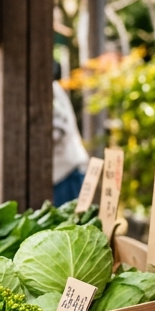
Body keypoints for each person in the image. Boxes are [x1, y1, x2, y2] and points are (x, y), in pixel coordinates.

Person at [51, 62, 90, 205]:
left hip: (66, 172)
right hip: (63, 171)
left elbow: (58, 131)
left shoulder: (49, 90)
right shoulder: (53, 89)